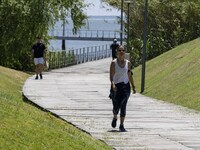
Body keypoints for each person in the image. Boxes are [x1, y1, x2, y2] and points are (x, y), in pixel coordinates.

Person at [109, 45, 136, 132]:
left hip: (125, 87)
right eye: (120, 50)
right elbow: (111, 76)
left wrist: (133, 86)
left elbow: (129, 75)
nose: (121, 52)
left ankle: (121, 125)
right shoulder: (114, 63)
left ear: (125, 52)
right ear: (117, 52)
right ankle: (115, 116)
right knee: (116, 106)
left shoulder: (128, 63)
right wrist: (112, 84)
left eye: (123, 50)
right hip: (116, 87)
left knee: (123, 105)